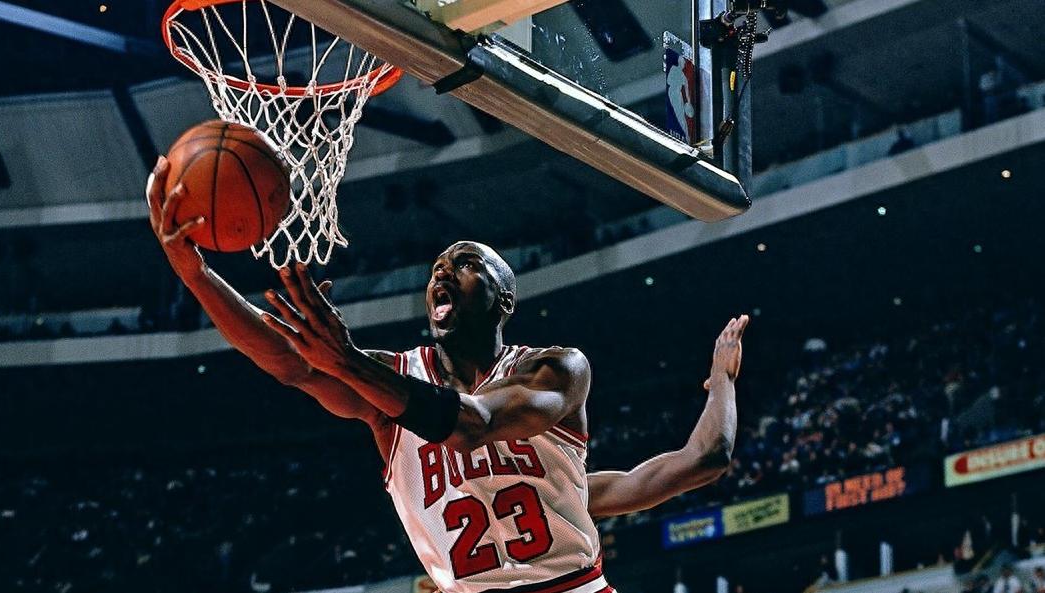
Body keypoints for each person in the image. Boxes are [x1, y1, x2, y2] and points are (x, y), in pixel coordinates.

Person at [146, 157, 747, 593]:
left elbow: (474, 424)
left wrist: (722, 380)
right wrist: (194, 273)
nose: (442, 272)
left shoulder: (556, 369)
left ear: (504, 300)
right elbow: (289, 363)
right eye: (437, 267)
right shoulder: (392, 380)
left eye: (464, 264)